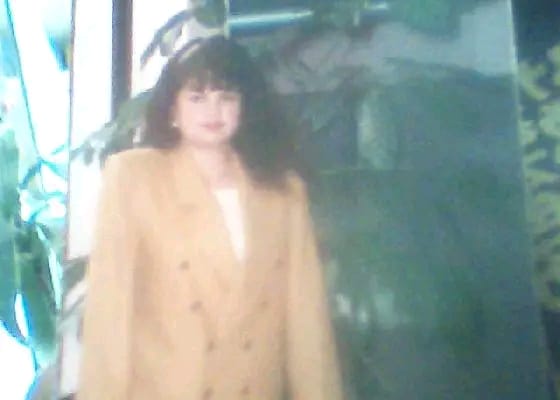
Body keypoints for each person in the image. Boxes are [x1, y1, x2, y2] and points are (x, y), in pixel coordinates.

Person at [77, 35, 344, 400]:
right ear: (172, 109)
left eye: (226, 97)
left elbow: (307, 321)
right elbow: (109, 315)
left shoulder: (283, 191)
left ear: (245, 107)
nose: (213, 111)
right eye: (197, 97)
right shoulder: (133, 178)